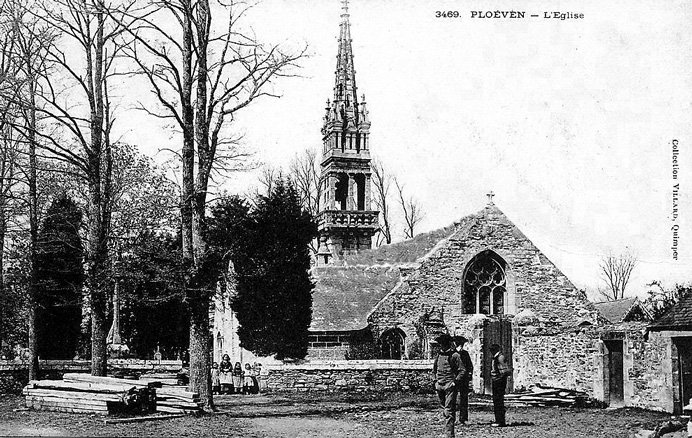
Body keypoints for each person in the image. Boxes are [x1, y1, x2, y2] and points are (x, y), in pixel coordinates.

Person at [432, 334, 465, 438]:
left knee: (448, 410)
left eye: (444, 344)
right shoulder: (438, 356)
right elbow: (434, 370)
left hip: (449, 386)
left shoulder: (455, 355)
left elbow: (462, 370)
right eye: (441, 344)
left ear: (448, 344)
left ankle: (449, 435)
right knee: (445, 409)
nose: (442, 346)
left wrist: (455, 382)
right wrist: (435, 382)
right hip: (439, 386)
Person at [489, 343, 512, 427]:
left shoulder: (500, 358)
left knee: (498, 401)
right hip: (496, 381)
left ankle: (500, 421)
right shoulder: (495, 358)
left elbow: (505, 371)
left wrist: (499, 379)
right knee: (496, 401)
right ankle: (498, 420)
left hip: (499, 381)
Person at [453, 335, 473, 425]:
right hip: (454, 378)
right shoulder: (452, 353)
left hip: (464, 379)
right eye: (458, 343)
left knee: (464, 399)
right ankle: (452, 418)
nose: (460, 345)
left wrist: (469, 374)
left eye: (462, 344)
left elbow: (470, 365)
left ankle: (463, 418)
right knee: (452, 398)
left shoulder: (465, 353)